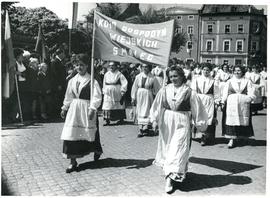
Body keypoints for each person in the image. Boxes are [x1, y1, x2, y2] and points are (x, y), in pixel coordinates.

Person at [150, 65, 208, 193]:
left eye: (176, 76)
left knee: (178, 147)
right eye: (171, 76)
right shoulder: (164, 90)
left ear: (182, 76)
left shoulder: (190, 92)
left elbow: (197, 109)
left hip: (182, 122)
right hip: (167, 122)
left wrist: (201, 125)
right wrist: (154, 119)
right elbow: (157, 105)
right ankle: (172, 173)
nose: (173, 79)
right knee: (168, 148)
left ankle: (169, 180)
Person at [60, 54, 103, 173]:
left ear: (86, 66)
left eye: (82, 65)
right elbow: (68, 95)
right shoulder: (72, 80)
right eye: (77, 65)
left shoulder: (92, 80)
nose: (79, 67)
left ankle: (96, 150)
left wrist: (93, 108)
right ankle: (72, 162)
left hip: (87, 108)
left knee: (90, 132)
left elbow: (97, 96)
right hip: (74, 110)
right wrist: (64, 107)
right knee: (71, 133)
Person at [221, 65, 256, 148]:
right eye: (235, 70)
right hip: (231, 105)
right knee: (232, 120)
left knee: (242, 120)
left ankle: (241, 137)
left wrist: (249, 98)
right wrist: (223, 101)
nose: (237, 72)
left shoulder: (247, 81)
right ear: (233, 72)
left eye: (239, 70)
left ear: (242, 71)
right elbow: (225, 93)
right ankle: (231, 139)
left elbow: (251, 92)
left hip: (243, 104)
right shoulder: (229, 81)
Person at [191, 64, 218, 146]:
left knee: (208, 118)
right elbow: (193, 91)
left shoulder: (213, 81)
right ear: (201, 70)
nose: (206, 71)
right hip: (199, 100)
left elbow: (216, 93)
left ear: (210, 71)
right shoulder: (196, 79)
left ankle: (205, 137)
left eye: (207, 70)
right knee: (199, 117)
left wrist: (217, 102)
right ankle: (199, 135)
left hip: (209, 101)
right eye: (204, 70)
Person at [131, 64, 160, 137]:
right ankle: (140, 129)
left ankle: (146, 127)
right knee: (139, 110)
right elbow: (134, 87)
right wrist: (133, 97)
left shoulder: (153, 78)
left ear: (149, 68)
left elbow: (157, 88)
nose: (145, 68)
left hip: (148, 95)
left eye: (146, 67)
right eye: (143, 67)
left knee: (147, 110)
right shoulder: (138, 77)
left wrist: (157, 97)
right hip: (139, 95)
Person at [102, 61, 128, 125]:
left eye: (113, 65)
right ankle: (107, 120)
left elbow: (124, 83)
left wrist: (123, 91)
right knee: (107, 105)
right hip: (108, 92)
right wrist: (104, 90)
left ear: (116, 66)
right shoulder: (106, 74)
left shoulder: (119, 74)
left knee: (118, 104)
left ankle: (120, 119)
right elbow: (104, 83)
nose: (111, 67)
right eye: (110, 65)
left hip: (117, 92)